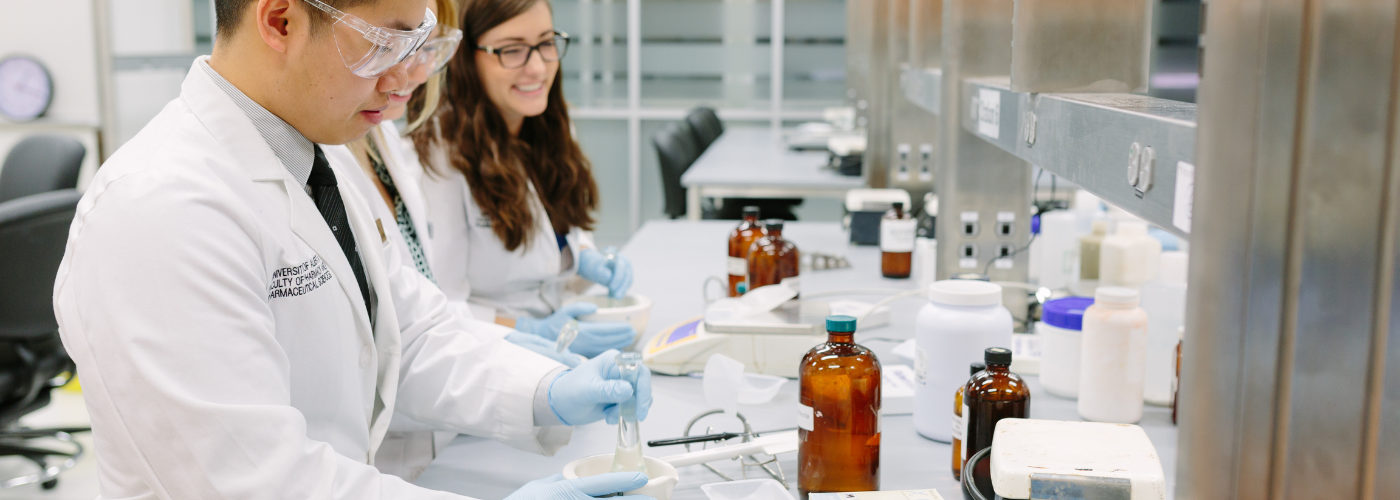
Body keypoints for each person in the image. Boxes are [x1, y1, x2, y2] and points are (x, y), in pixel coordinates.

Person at [53, 0, 652, 498]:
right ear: (280, 20)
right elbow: (256, 482)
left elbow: (409, 331)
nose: (405, 80)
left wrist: (544, 388)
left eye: (414, 43)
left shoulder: (321, 151)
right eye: (382, 45)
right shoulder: (161, 208)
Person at [408, 0, 636, 359]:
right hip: (489, 357)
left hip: (558, 342)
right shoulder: (440, 151)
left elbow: (562, 231)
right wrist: (530, 332)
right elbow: (442, 305)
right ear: (467, 58)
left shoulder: (549, 123)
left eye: (546, 43)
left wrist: (585, 257)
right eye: (512, 50)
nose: (537, 68)